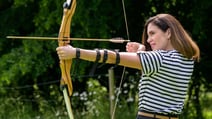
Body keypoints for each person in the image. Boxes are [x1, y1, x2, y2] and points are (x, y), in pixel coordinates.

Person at [56, 13, 200, 119]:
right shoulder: (186, 60)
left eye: (152, 34)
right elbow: (159, 71)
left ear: (168, 32)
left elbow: (113, 57)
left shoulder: (159, 59)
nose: (149, 40)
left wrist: (75, 52)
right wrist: (142, 51)